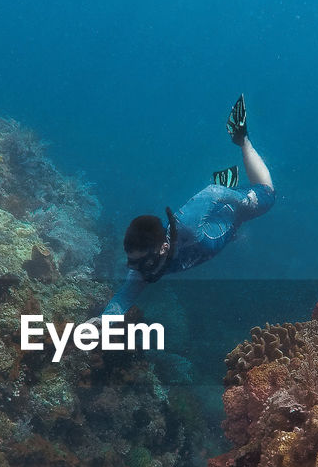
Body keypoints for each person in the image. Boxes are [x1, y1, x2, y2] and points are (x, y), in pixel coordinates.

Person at [103, 95, 275, 316]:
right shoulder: (143, 267)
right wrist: (102, 322)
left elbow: (212, 192)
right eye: (130, 260)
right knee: (230, 228)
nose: (133, 268)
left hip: (230, 206)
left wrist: (245, 200)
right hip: (216, 229)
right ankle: (233, 213)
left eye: (139, 261)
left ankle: (242, 139)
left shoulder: (186, 226)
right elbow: (124, 296)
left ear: (163, 248)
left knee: (268, 193)